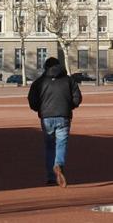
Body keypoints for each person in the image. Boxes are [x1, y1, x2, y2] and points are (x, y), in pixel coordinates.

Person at [28, 57, 83, 187]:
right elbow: (77, 98)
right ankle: (59, 164)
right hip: (63, 115)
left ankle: (51, 177)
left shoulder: (39, 82)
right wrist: (70, 106)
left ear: (45, 68)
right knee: (61, 143)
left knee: (49, 146)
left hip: (46, 117)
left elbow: (32, 100)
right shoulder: (69, 80)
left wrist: (40, 109)